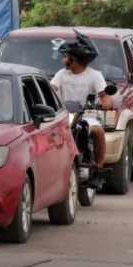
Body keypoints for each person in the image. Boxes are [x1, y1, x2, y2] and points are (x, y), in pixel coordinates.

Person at [50, 31, 112, 168]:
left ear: (74, 59)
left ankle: (99, 165)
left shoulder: (95, 76)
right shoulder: (61, 74)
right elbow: (52, 88)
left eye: (66, 57)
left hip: (87, 115)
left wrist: (106, 100)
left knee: (98, 131)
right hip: (65, 115)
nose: (63, 60)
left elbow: (104, 94)